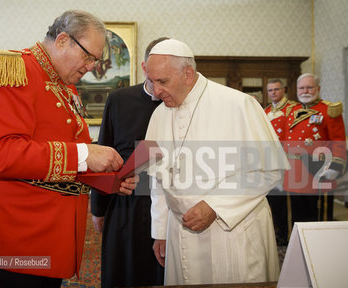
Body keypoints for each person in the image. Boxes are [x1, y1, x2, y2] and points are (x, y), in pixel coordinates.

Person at [0, 10, 136, 288]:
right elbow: (3, 156)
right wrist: (85, 154)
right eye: (89, 56)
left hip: (46, 234)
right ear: (62, 40)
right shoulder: (13, 69)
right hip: (7, 234)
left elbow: (60, 157)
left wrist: (108, 177)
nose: (92, 66)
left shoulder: (64, 84)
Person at [145, 39, 288, 285]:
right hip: (179, 231)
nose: (155, 91)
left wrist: (216, 207)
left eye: (162, 82)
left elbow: (269, 170)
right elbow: (157, 179)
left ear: (188, 74)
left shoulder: (239, 104)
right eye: (151, 81)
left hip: (232, 232)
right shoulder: (159, 114)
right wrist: (160, 232)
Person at [90, 37, 167, 288]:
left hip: (170, 205)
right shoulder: (119, 99)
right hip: (127, 205)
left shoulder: (182, 102)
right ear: (145, 68)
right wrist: (98, 208)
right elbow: (103, 153)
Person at [283, 73, 346, 223]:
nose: (305, 91)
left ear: (318, 88)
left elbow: (338, 141)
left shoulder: (329, 110)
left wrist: (335, 167)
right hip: (294, 171)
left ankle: (320, 246)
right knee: (296, 214)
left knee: (317, 215)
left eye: (309, 87)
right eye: (301, 88)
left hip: (318, 170)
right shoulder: (291, 110)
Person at [264, 79, 297, 245]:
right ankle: (277, 232)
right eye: (270, 90)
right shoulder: (266, 111)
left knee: (287, 203)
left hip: (289, 162)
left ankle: (287, 234)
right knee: (273, 201)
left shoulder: (293, 109)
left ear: (283, 89)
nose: (273, 93)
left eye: (276, 89)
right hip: (270, 163)